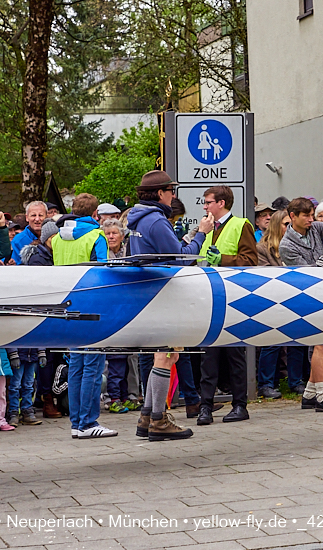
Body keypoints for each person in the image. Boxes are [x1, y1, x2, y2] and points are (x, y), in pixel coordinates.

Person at [127, 170, 215, 441]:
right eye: (171, 190)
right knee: (166, 355)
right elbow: (180, 260)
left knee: (162, 355)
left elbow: (168, 252)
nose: (173, 195)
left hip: (149, 293)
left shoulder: (138, 218)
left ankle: (148, 416)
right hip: (163, 293)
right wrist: (201, 235)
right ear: (160, 193)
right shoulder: (156, 220)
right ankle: (158, 420)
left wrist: (185, 241)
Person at [279, 197, 323, 411]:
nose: (311, 219)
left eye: (312, 215)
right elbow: (307, 274)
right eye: (306, 216)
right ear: (293, 217)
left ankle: (310, 393)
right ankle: (322, 395)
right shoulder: (287, 245)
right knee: (320, 344)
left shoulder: (315, 229)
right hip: (305, 298)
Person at [53, 193, 114, 439]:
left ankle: (77, 424)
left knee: (76, 365)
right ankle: (89, 422)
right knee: (93, 367)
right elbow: (104, 271)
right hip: (91, 306)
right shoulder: (96, 235)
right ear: (94, 215)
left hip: (66, 306)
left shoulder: (57, 238)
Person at [195, 185, 256, 427]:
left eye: (208, 202)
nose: (205, 206)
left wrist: (224, 260)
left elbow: (251, 261)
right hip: (209, 297)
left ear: (221, 203)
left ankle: (240, 404)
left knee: (234, 354)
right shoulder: (208, 229)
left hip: (234, 298)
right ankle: (205, 406)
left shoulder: (241, 225)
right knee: (208, 355)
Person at [254, 210, 307, 399]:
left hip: (295, 299)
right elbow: (265, 276)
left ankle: (296, 381)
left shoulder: (297, 246)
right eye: (286, 224)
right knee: (272, 343)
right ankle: (266, 384)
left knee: (298, 342)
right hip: (272, 301)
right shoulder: (262, 249)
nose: (289, 228)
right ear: (277, 226)